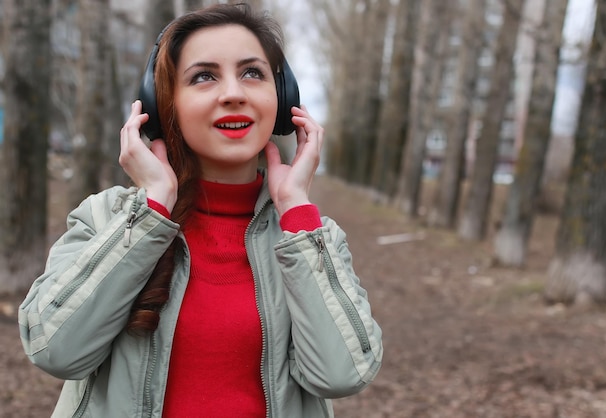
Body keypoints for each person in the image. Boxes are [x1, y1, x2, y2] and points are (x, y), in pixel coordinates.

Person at [18, 3, 383, 418]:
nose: (234, 93)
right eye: (204, 76)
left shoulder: (309, 236)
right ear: (163, 104)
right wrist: (153, 206)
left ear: (283, 99)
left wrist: (296, 210)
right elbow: (53, 349)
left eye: (252, 73)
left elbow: (342, 375)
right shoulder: (106, 218)